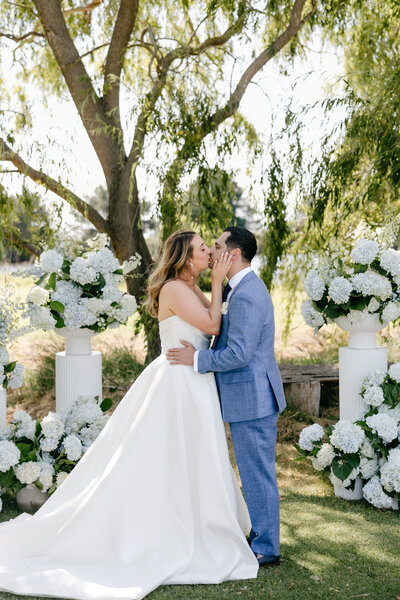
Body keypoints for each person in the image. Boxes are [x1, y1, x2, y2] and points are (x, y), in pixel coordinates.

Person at [0, 230, 258, 600]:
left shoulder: (191, 286)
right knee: (164, 459)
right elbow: (213, 325)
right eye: (204, 249)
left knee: (195, 456)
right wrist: (219, 282)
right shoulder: (173, 288)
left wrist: (217, 286)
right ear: (187, 259)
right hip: (177, 384)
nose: (210, 253)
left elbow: (211, 324)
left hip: (194, 381)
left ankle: (205, 522)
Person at [167, 226, 286, 567]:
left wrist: (197, 360)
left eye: (217, 246)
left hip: (254, 398)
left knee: (257, 473)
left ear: (233, 254)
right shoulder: (240, 288)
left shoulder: (247, 294)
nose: (213, 250)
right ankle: (261, 535)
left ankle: (266, 547)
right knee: (253, 471)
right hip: (250, 397)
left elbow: (239, 354)